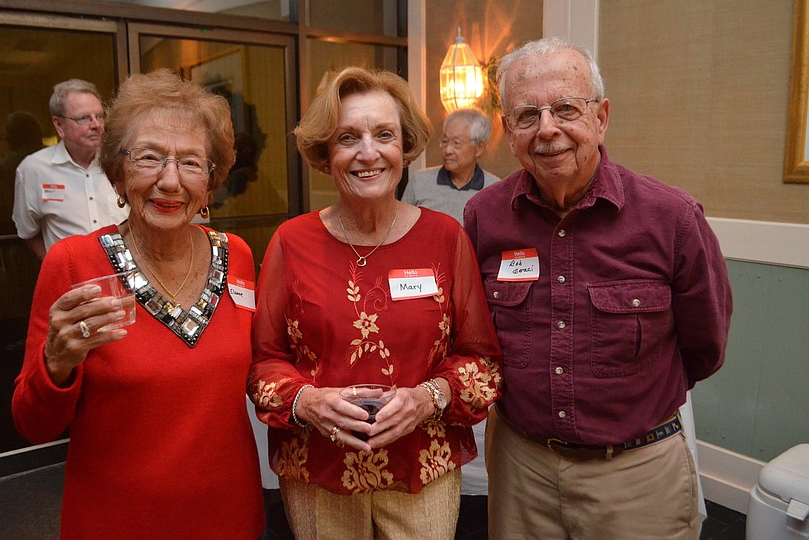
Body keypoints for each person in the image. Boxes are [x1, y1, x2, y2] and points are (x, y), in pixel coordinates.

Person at [463, 37, 733, 540]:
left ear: (601, 117)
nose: (548, 129)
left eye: (566, 108)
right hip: (521, 471)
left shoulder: (672, 218)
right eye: (527, 116)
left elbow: (705, 346)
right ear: (509, 131)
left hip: (636, 475)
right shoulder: (484, 217)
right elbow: (474, 335)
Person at [248, 66, 502, 540]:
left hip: (422, 468)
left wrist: (429, 398)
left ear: (404, 147)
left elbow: (483, 362)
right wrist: (306, 401)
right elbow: (264, 362)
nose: (368, 153)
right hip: (318, 470)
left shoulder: (445, 238)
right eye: (348, 137)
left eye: (384, 134)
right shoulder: (291, 242)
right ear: (326, 153)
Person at [12, 69, 265, 539]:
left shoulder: (238, 256)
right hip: (117, 520)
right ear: (118, 172)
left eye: (191, 163)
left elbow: (262, 370)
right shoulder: (74, 263)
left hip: (229, 513)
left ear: (210, 183)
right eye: (149, 157)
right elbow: (33, 425)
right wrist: (56, 365)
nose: (170, 181)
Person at [12, 78, 129, 259]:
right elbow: (27, 232)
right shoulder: (34, 169)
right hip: (71, 275)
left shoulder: (120, 161)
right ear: (59, 125)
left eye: (100, 116)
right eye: (84, 118)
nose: (96, 125)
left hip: (125, 272)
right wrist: (56, 267)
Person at [401, 108, 500, 225]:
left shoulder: (494, 189)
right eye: (445, 141)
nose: (447, 150)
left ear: (479, 148)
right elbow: (401, 227)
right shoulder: (419, 181)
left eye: (456, 143)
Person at [0, 111, 45, 229]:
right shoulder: (63, 160)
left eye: (8, 133)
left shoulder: (1, 169)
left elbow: (1, 212)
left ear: (12, 137)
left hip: (16, 234)